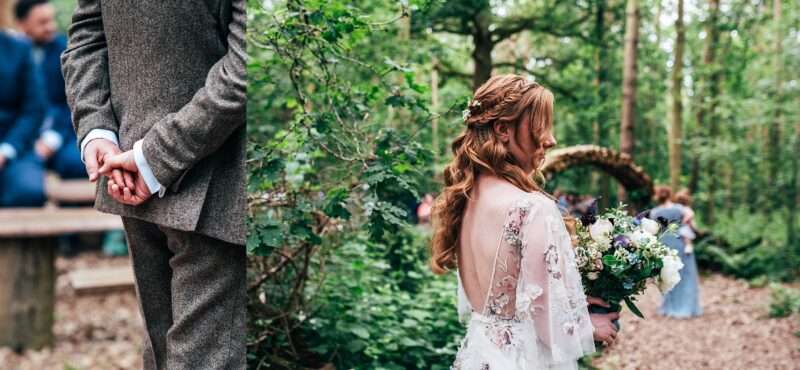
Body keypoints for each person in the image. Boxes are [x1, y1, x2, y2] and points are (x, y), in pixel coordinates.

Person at [61, 1, 246, 369]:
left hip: (167, 177)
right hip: (153, 178)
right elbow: (87, 36)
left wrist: (148, 156)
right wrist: (96, 130)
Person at [431, 75, 618, 370]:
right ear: (503, 129)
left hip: (481, 355)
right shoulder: (532, 208)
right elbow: (545, 318)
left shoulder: (465, 201)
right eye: (540, 125)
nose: (551, 139)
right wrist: (589, 327)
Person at [16, 0, 85, 179]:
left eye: (51, 20)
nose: (51, 27)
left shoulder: (65, 51)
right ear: (22, 24)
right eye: (42, 22)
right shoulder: (10, 54)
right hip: (20, 138)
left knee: (78, 163)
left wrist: (53, 138)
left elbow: (73, 102)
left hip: (60, 133)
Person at [0, 0, 47, 207]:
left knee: (29, 191)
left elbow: (34, 111)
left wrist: (6, 150)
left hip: (14, 147)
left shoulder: (19, 49)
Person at [650, 186, 702, 318]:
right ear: (670, 195)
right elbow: (690, 214)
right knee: (685, 276)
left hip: (664, 245)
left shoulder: (654, 212)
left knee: (667, 277)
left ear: (658, 196)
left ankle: (669, 307)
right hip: (679, 243)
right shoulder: (678, 208)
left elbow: (654, 230)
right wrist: (683, 224)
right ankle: (686, 307)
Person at [673, 188, 697, 255]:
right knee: (687, 239)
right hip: (685, 227)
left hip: (676, 229)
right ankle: (688, 248)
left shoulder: (676, 207)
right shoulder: (688, 209)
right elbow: (689, 219)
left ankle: (688, 247)